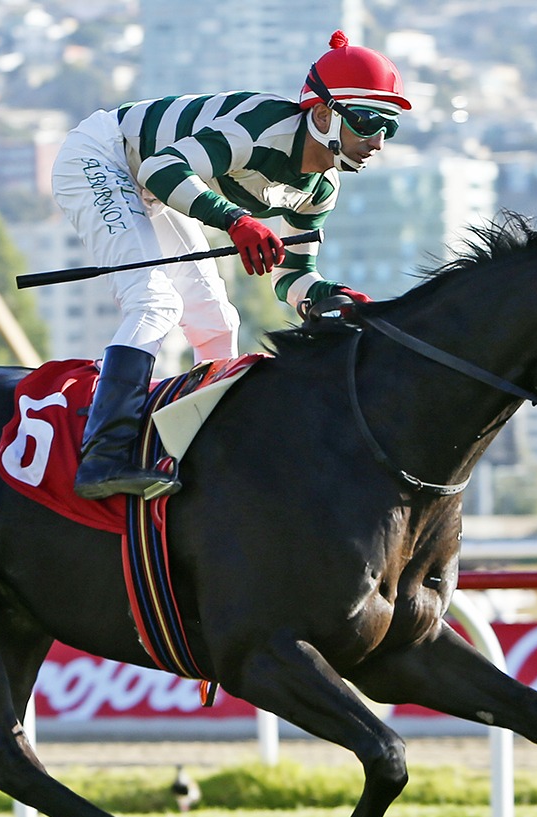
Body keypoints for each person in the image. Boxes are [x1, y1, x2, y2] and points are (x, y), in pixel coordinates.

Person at [50, 30, 409, 500]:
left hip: (149, 183)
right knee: (155, 303)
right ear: (323, 114)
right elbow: (161, 169)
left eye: (388, 128)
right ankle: (104, 455)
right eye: (366, 122)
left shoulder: (321, 189)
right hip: (102, 156)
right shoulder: (261, 128)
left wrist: (332, 298)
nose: (377, 142)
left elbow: (293, 278)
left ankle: (205, 453)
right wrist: (235, 220)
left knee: (219, 321)